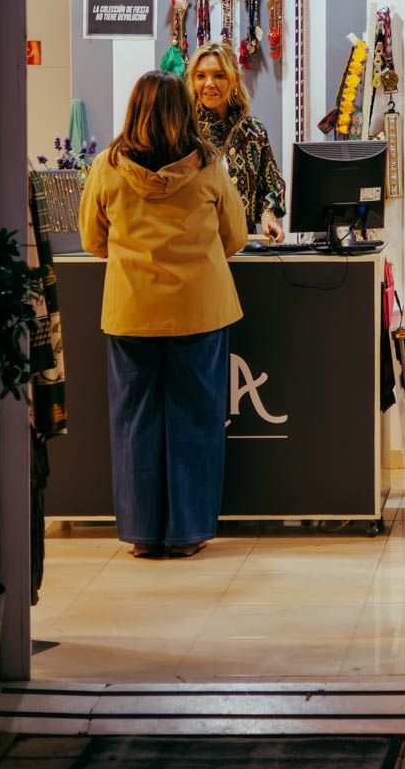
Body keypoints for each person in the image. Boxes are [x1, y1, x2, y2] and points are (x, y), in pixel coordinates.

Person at [79, 70, 248, 559]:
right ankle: (188, 533)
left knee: (134, 424)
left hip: (132, 313)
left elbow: (92, 241)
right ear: (184, 111)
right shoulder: (209, 167)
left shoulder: (107, 168)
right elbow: (235, 235)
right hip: (199, 312)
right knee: (195, 421)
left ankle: (141, 534)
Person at [188, 41, 287, 238]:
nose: (209, 84)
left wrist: (268, 217)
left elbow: (271, 188)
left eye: (219, 75)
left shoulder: (254, 132)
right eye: (201, 76)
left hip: (243, 248)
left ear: (234, 80)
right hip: (195, 251)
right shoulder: (184, 132)